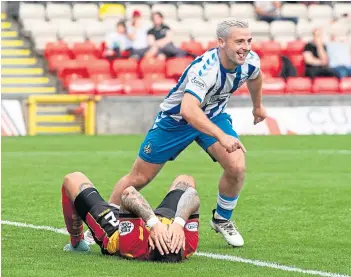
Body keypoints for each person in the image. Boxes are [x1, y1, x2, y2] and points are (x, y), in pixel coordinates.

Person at [108, 19, 267, 248]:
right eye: (239, 41)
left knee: (237, 166)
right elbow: (189, 110)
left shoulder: (250, 61)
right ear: (221, 42)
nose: (246, 47)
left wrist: (258, 106)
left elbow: (256, 77)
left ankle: (222, 219)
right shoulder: (206, 69)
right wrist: (222, 136)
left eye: (249, 41)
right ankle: (106, 221)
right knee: (139, 178)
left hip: (213, 116)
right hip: (176, 122)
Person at [62, 172, 200, 262]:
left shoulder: (133, 247)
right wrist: (178, 224)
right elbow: (191, 193)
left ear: (150, 244)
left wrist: (154, 224)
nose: (168, 233)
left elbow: (128, 194)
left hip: (117, 230)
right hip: (162, 219)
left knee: (73, 179)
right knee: (185, 180)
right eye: (171, 235)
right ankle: (155, 219)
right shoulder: (187, 246)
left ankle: (77, 242)